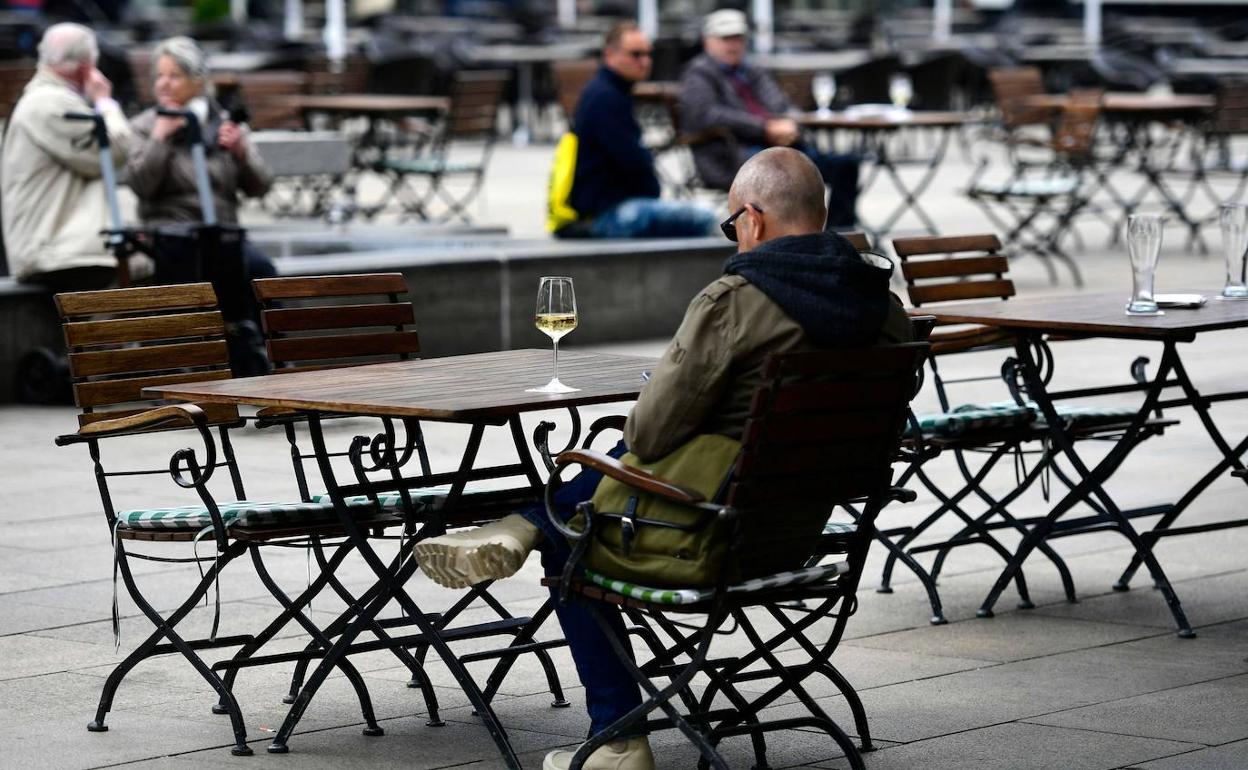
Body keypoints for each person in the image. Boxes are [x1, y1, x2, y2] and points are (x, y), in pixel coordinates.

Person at [415, 147, 912, 770]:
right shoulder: (887, 310)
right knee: (648, 466)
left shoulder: (736, 300)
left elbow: (648, 435)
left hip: (704, 537)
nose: (733, 237)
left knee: (573, 533)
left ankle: (619, 741)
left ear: (752, 221)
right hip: (800, 534)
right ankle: (523, 522)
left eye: (731, 225)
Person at [124, 36, 276, 314]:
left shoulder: (223, 122)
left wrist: (241, 153)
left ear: (198, 81)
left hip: (223, 238)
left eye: (174, 76)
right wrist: (159, 139)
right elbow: (141, 186)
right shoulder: (144, 126)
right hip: (172, 237)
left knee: (261, 273)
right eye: (159, 76)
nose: (163, 84)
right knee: (195, 280)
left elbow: (261, 187)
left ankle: (262, 354)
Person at [678, 9, 861, 229]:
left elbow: (782, 105)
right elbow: (707, 115)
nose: (733, 44)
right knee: (783, 178)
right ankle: (793, 241)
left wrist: (790, 125)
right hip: (731, 156)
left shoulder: (752, 70)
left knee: (846, 165)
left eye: (738, 38)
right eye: (726, 38)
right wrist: (764, 128)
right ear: (708, 41)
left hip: (781, 150)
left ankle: (838, 237)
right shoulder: (698, 74)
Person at [1, 22, 132, 291]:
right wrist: (105, 102)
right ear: (87, 68)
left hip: (60, 247)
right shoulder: (50, 103)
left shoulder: (46, 98)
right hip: (57, 251)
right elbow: (117, 150)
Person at [557, 21, 718, 239]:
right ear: (610, 55)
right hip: (608, 215)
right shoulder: (606, 98)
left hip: (607, 210)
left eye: (648, 54)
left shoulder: (607, 90)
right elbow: (633, 162)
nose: (645, 62)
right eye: (636, 54)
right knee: (706, 217)